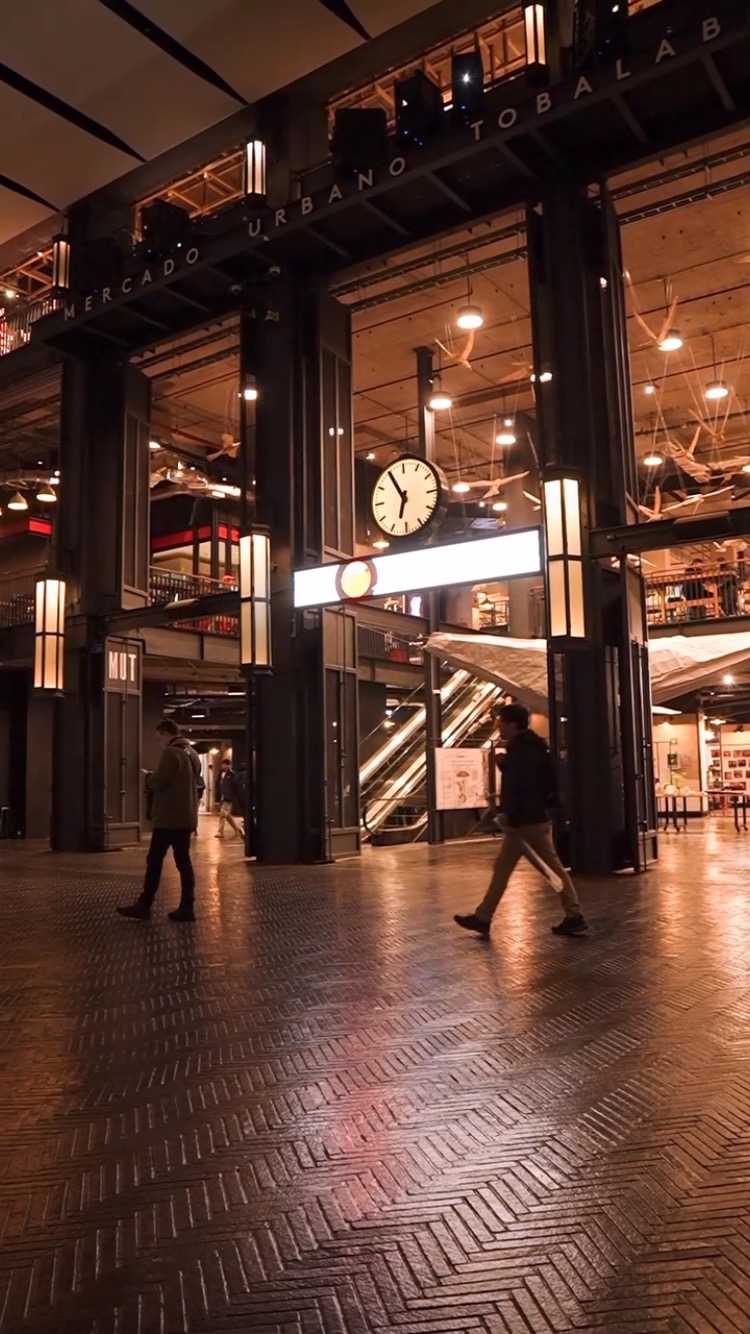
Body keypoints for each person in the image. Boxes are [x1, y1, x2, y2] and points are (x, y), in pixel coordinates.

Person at [454, 703, 587, 939]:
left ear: (512, 724)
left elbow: (520, 787)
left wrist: (507, 812)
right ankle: (572, 914)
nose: (499, 727)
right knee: (540, 868)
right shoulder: (535, 748)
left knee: (511, 869)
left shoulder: (520, 752)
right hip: (536, 818)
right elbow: (545, 782)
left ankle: (484, 917)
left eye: (502, 723)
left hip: (522, 823)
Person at [117, 719, 201, 922]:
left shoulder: (172, 753)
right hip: (186, 816)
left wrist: (148, 777)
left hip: (169, 817)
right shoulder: (192, 753)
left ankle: (144, 905)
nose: (160, 741)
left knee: (154, 860)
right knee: (183, 861)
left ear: (165, 733)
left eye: (159, 737)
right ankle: (187, 906)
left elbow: (160, 782)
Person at [216, 758, 244, 839]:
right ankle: (237, 829)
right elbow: (218, 785)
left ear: (228, 765)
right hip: (222, 797)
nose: (222, 766)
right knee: (227, 815)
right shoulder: (220, 774)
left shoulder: (232, 775)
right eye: (222, 764)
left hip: (228, 797)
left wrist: (233, 796)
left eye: (224, 764)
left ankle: (220, 831)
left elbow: (235, 786)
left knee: (222, 814)